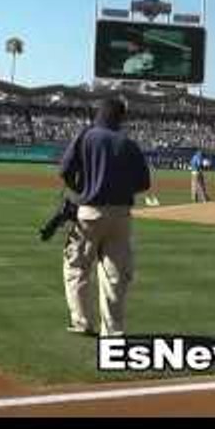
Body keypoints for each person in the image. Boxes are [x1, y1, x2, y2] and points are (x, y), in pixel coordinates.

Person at [59, 97, 151, 337]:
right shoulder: (128, 144)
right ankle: (112, 332)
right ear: (121, 118)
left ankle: (81, 321)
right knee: (115, 276)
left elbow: (65, 170)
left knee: (77, 266)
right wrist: (120, 188)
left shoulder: (87, 136)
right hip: (121, 215)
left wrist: (83, 189)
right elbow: (144, 183)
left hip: (90, 211)